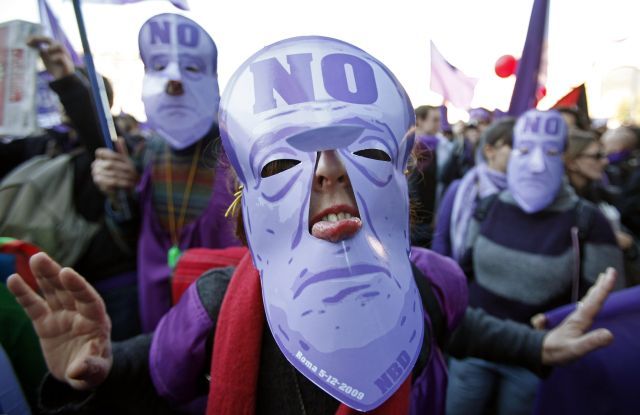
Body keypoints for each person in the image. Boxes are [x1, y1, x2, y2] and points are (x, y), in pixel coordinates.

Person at [8, 37, 619, 415]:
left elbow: (471, 329)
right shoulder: (216, 303)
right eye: (282, 163)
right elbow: (156, 368)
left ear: (403, 186)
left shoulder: (431, 284)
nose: (327, 171)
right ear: (243, 203)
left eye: (368, 154)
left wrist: (539, 345)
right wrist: (98, 365)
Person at [446, 109, 625, 415]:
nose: (537, 164)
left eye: (551, 151)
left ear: (564, 158)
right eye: (525, 150)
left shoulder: (587, 221)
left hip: (539, 357)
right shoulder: (488, 206)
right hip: (477, 345)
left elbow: (606, 301)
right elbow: (466, 269)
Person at [91, 14, 239, 332]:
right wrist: (120, 198)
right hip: (159, 323)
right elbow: (131, 239)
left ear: (213, 81)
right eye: (159, 67)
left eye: (192, 69)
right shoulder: (146, 155)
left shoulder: (240, 155)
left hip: (226, 318)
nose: (174, 83)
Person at [0, 35, 141, 341]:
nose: (65, 103)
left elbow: (98, 138)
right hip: (55, 280)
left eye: (79, 93)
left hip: (115, 282)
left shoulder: (121, 146)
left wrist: (66, 80)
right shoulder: (45, 144)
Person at [432, 117, 515, 262]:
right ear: (489, 150)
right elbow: (440, 240)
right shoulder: (460, 188)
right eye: (513, 146)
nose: (520, 154)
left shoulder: (524, 197)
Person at [565, 129, 639, 286]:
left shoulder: (601, 193)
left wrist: (630, 245)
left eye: (603, 154)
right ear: (571, 162)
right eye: (596, 156)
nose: (605, 161)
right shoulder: (564, 207)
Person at [601, 126, 640, 238]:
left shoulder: (614, 168)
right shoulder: (632, 162)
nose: (603, 149)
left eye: (605, 145)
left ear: (618, 147)